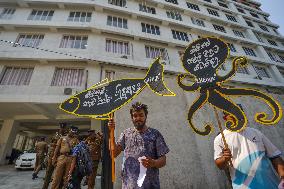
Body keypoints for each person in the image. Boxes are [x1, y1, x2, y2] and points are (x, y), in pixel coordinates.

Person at [108, 102, 169, 189]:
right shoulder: (126, 134)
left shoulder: (155, 134)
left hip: (150, 185)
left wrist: (154, 163)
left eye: (141, 115)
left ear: (146, 116)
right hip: (129, 185)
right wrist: (111, 132)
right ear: (132, 118)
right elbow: (114, 154)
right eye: (135, 116)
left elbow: (163, 160)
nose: (138, 118)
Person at [214, 113, 284, 189]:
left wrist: (283, 175)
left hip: (270, 185)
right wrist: (225, 158)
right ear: (225, 118)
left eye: (240, 112)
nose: (237, 116)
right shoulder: (220, 138)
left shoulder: (255, 132)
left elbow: (274, 156)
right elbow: (220, 165)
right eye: (232, 114)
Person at [42, 122, 68, 189]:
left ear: (65, 128)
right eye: (61, 128)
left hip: (61, 157)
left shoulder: (67, 136)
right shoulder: (55, 135)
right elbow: (51, 144)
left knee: (61, 174)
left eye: (63, 128)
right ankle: (45, 187)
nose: (62, 129)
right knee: (48, 173)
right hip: (52, 156)